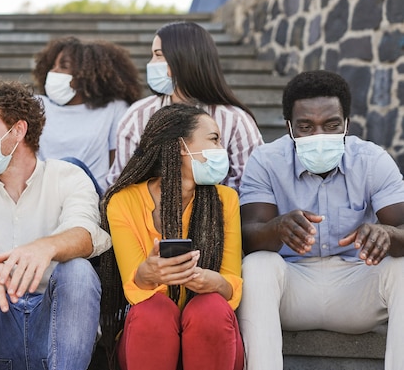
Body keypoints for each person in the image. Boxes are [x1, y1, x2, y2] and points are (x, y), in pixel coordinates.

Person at [0, 80, 112, 370]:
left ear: (18, 130)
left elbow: (85, 232)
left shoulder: (69, 176)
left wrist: (46, 248)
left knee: (78, 270)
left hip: (53, 325)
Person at [238, 70, 404, 369]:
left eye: (331, 125)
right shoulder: (265, 161)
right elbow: (248, 236)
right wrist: (275, 230)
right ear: (289, 127)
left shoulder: (372, 160)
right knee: (257, 265)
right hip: (291, 289)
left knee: (403, 266)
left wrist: (388, 234)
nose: (319, 136)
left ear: (346, 125)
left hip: (358, 285)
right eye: (305, 126)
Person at [100, 103, 244, 370]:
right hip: (149, 337)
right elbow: (134, 287)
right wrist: (149, 273)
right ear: (181, 146)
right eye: (213, 139)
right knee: (153, 311)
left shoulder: (227, 200)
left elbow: (231, 280)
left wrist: (215, 283)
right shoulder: (122, 202)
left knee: (209, 308)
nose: (220, 149)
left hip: (212, 337)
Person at [106, 20, 263, 191]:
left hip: (221, 214)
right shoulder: (138, 115)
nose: (151, 63)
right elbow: (120, 181)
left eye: (158, 55)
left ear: (182, 59)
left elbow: (251, 187)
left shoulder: (236, 120)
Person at [32, 36, 142, 194]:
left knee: (70, 165)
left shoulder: (114, 109)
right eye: (52, 66)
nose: (53, 71)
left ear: (87, 74)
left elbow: (117, 166)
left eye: (63, 66)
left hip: (90, 194)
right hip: (42, 193)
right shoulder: (37, 105)